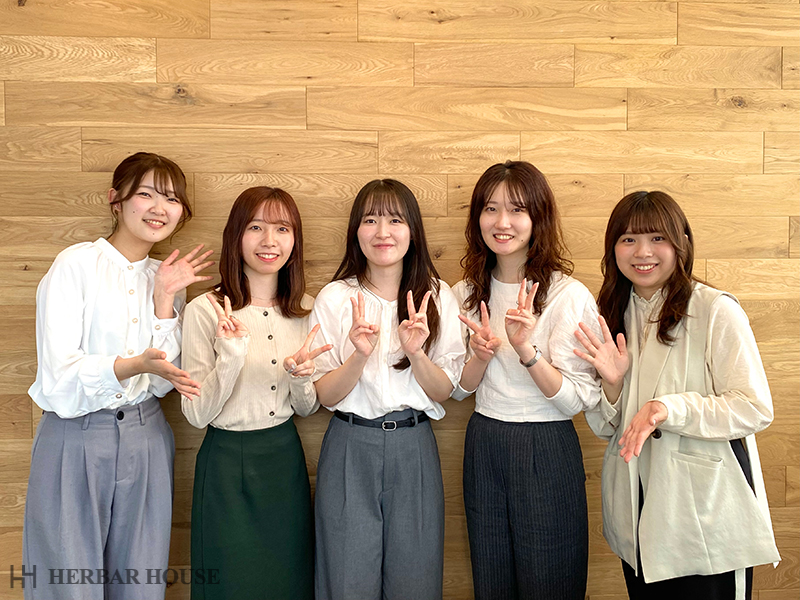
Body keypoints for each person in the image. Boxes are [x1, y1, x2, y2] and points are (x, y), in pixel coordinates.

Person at [23, 152, 213, 600]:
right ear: (116, 199)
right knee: (66, 583)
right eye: (146, 194)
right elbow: (58, 377)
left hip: (147, 437)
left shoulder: (167, 277)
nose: (159, 208)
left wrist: (165, 299)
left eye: (172, 199)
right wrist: (132, 365)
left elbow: (164, 383)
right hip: (75, 436)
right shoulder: (76, 264)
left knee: (140, 581)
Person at [574, 191, 780, 600]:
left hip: (706, 512)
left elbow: (754, 407)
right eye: (629, 239)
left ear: (681, 243)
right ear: (613, 248)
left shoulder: (715, 309)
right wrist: (612, 386)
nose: (643, 252)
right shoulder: (612, 312)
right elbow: (607, 429)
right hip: (639, 513)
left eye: (657, 238)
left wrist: (667, 408)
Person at [309, 179, 465, 600]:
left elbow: (443, 391)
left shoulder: (436, 296)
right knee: (346, 580)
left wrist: (416, 353)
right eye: (370, 220)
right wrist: (359, 356)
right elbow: (325, 395)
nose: (383, 232)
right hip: (349, 443)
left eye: (395, 220)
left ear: (412, 230)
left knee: (416, 581)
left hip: (414, 445)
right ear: (355, 230)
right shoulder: (335, 297)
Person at [451, 160, 600, 600]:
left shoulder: (567, 294)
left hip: (546, 444)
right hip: (484, 440)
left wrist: (526, 350)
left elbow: (576, 401)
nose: (502, 222)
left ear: (538, 218)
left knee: (550, 581)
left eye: (517, 210)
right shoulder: (464, 293)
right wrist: (479, 357)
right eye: (491, 209)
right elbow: (458, 390)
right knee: (492, 580)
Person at [181, 187, 330, 600]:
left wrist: (300, 378)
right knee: (228, 583)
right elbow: (196, 414)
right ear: (236, 235)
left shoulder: (306, 309)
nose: (269, 241)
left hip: (284, 458)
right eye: (256, 227)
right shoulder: (205, 309)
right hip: (225, 462)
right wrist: (230, 356)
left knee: (289, 581)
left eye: (282, 229)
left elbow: (306, 407)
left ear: (295, 239)